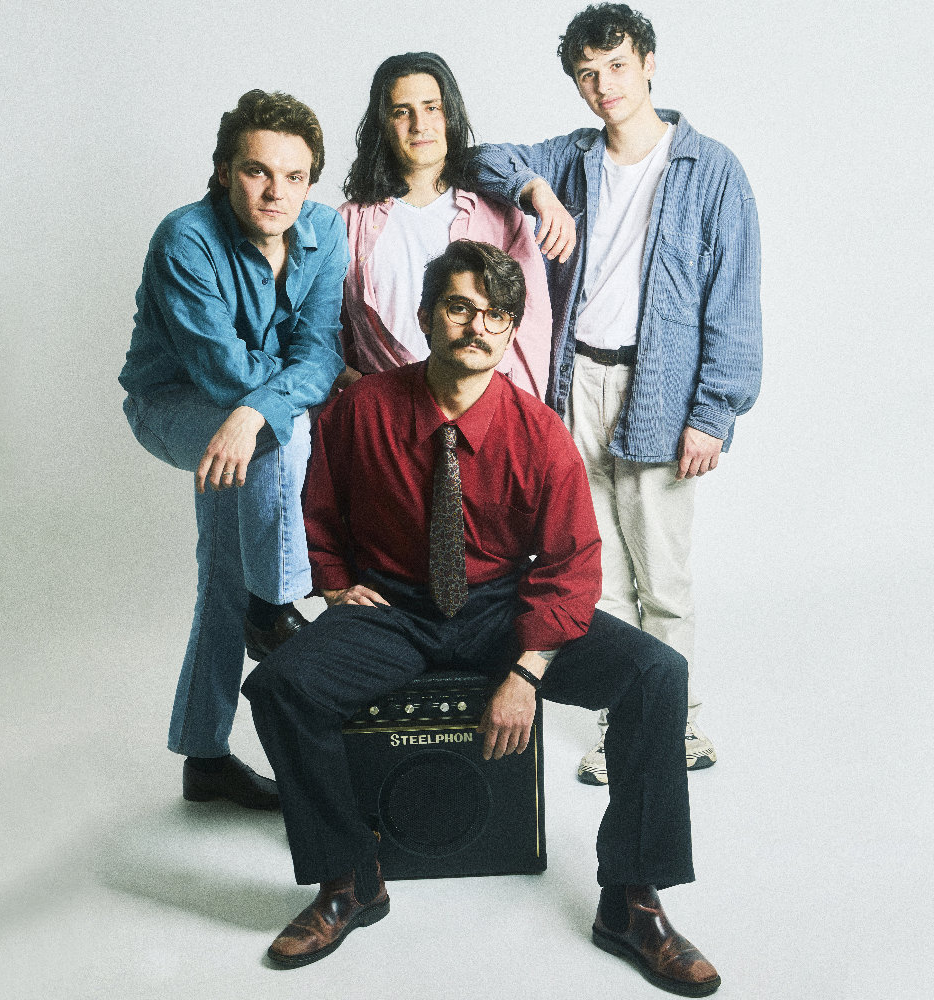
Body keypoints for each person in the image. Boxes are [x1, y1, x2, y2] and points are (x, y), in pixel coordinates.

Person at [241, 241, 721, 997]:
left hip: (503, 607)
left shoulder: (539, 434)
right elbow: (320, 510)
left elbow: (571, 565)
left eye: (497, 315)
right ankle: (349, 880)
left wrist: (526, 672)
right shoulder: (361, 411)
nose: (477, 327)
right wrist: (335, 585)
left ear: (511, 330)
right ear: (427, 315)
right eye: (460, 307)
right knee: (280, 686)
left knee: (656, 673)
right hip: (393, 608)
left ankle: (632, 902)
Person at [468, 3, 763, 784]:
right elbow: (481, 159)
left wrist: (714, 412)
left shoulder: (711, 169)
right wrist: (537, 190)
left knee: (663, 576)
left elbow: (734, 299)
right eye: (587, 74)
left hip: (659, 387)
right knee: (594, 575)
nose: (605, 86)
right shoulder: (569, 160)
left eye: (618, 66)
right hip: (576, 384)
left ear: (650, 64)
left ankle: (678, 724)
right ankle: (623, 726)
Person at [118, 90, 348, 808]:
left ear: (310, 181)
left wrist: (261, 404)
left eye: (294, 176)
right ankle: (274, 606)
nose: (277, 192)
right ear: (223, 172)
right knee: (281, 433)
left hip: (239, 421)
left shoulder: (325, 230)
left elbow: (323, 350)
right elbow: (221, 372)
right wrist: (271, 403)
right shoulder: (184, 238)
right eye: (257, 171)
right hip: (173, 405)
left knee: (223, 575)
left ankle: (204, 756)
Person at [336, 52, 552, 399]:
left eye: (432, 108)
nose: (419, 124)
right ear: (383, 124)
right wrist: (361, 393)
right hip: (385, 408)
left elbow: (531, 328)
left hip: (481, 406)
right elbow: (329, 331)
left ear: (449, 115)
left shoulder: (498, 215)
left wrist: (519, 412)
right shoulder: (349, 222)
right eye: (401, 111)